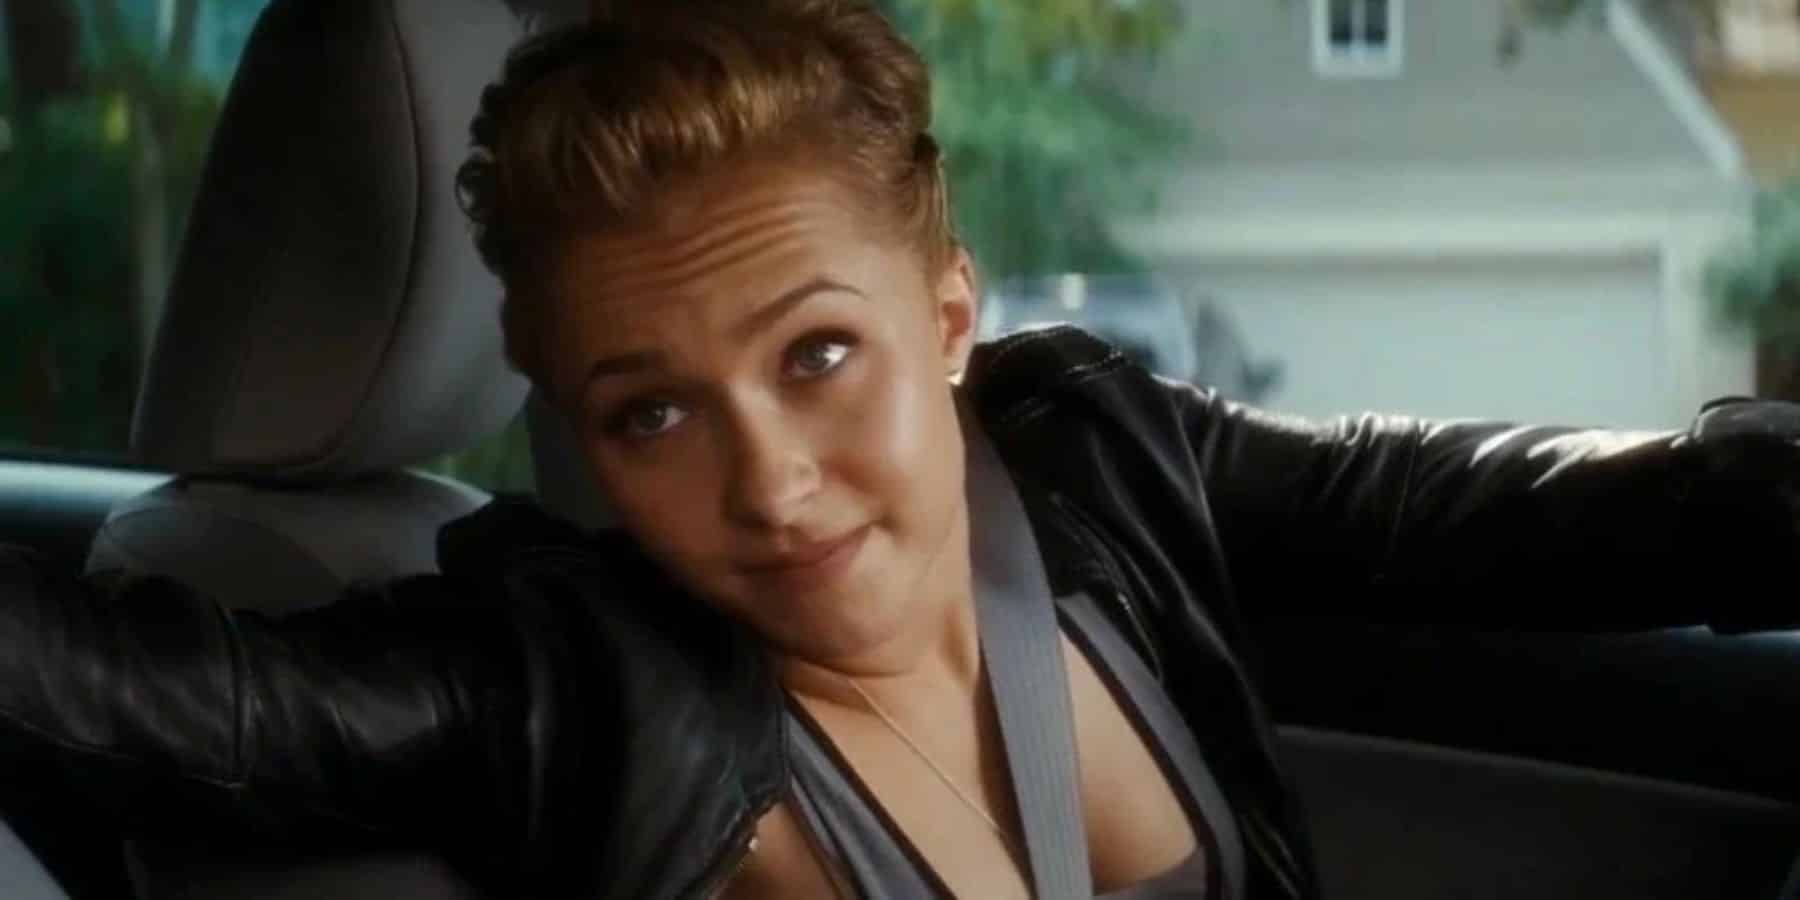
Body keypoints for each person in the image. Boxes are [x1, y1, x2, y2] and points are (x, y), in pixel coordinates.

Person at [3, 1, 1799, 898]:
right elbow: (160, 706)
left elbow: (1515, 510)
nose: (769, 483)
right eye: (650, 413)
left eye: (820, 355)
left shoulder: (1098, 456)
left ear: (950, 318)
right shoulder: (568, 676)